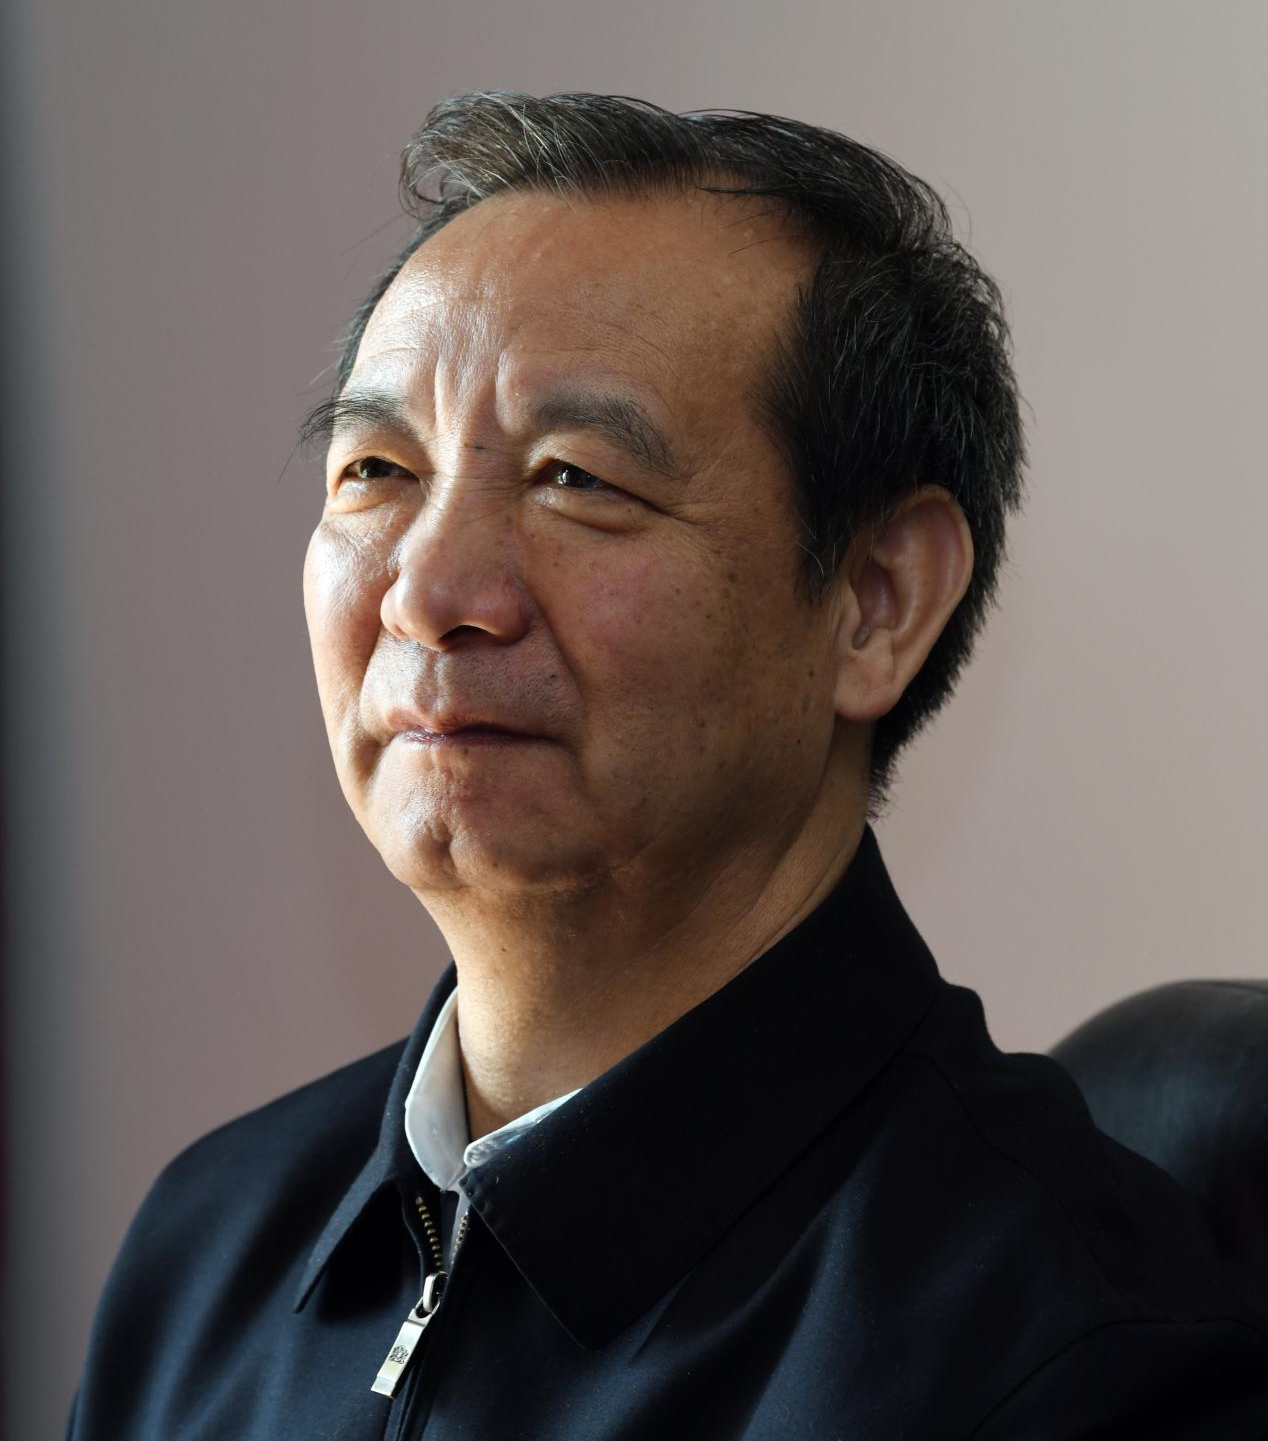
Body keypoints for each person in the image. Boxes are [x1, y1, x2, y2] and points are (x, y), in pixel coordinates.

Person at [68, 93, 1268, 1439]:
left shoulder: (1072, 1369)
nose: (428, 591)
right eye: (377, 470)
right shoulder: (209, 1247)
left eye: (575, 478)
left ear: (875, 602)